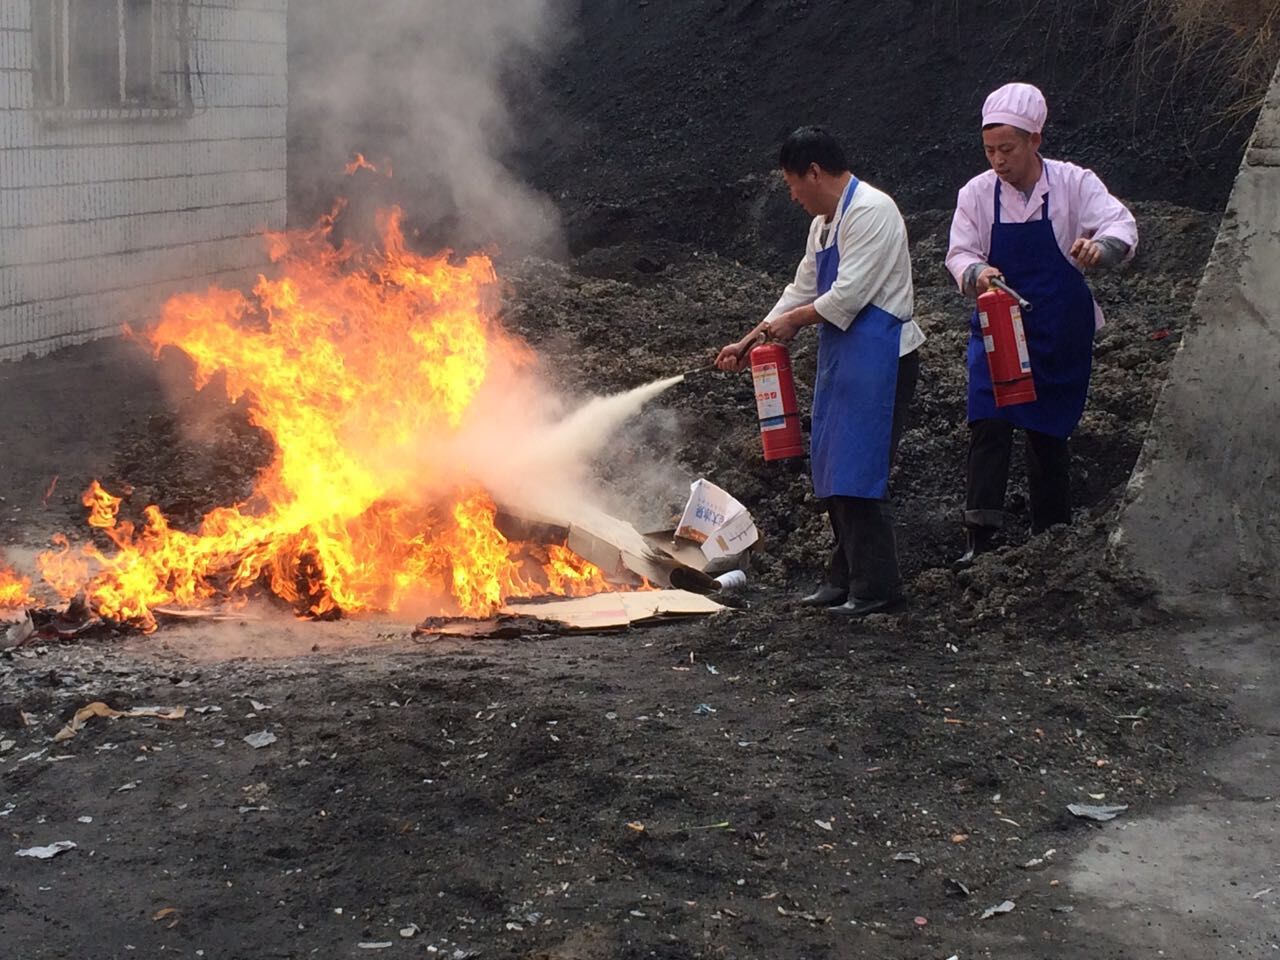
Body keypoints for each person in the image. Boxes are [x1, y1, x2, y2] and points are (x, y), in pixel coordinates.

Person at [716, 126, 925, 617]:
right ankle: (843, 578)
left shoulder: (873, 211)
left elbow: (847, 295)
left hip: (883, 357)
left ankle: (877, 588)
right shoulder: (823, 226)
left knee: (861, 470)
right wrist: (752, 339)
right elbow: (801, 287)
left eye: (792, 184)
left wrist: (791, 322)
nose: (792, 196)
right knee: (832, 467)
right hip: (843, 356)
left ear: (814, 172)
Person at [945, 82, 1138, 565]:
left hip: (1058, 328)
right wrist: (976, 272)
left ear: (1035, 140)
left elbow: (1121, 225)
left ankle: (1050, 533)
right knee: (988, 420)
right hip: (998, 325)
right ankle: (980, 537)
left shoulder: (1074, 183)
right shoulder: (977, 194)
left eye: (1007, 148)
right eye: (989, 150)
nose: (998, 160)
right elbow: (960, 252)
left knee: (1048, 430)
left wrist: (1100, 248)